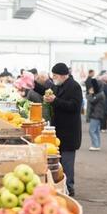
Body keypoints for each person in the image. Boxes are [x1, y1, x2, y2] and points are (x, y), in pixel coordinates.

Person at [34, 63, 82, 196]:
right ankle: (60, 186)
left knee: (67, 161)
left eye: (55, 75)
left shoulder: (74, 87)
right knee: (58, 162)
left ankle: (69, 187)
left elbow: (74, 106)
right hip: (58, 129)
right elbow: (46, 91)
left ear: (62, 75)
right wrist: (32, 84)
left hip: (69, 130)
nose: (53, 77)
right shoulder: (58, 85)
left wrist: (55, 101)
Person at [86, 79, 105, 151]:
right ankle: (97, 144)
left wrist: (89, 94)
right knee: (96, 131)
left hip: (96, 114)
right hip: (97, 114)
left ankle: (95, 145)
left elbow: (92, 100)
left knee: (92, 130)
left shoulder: (100, 94)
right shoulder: (100, 93)